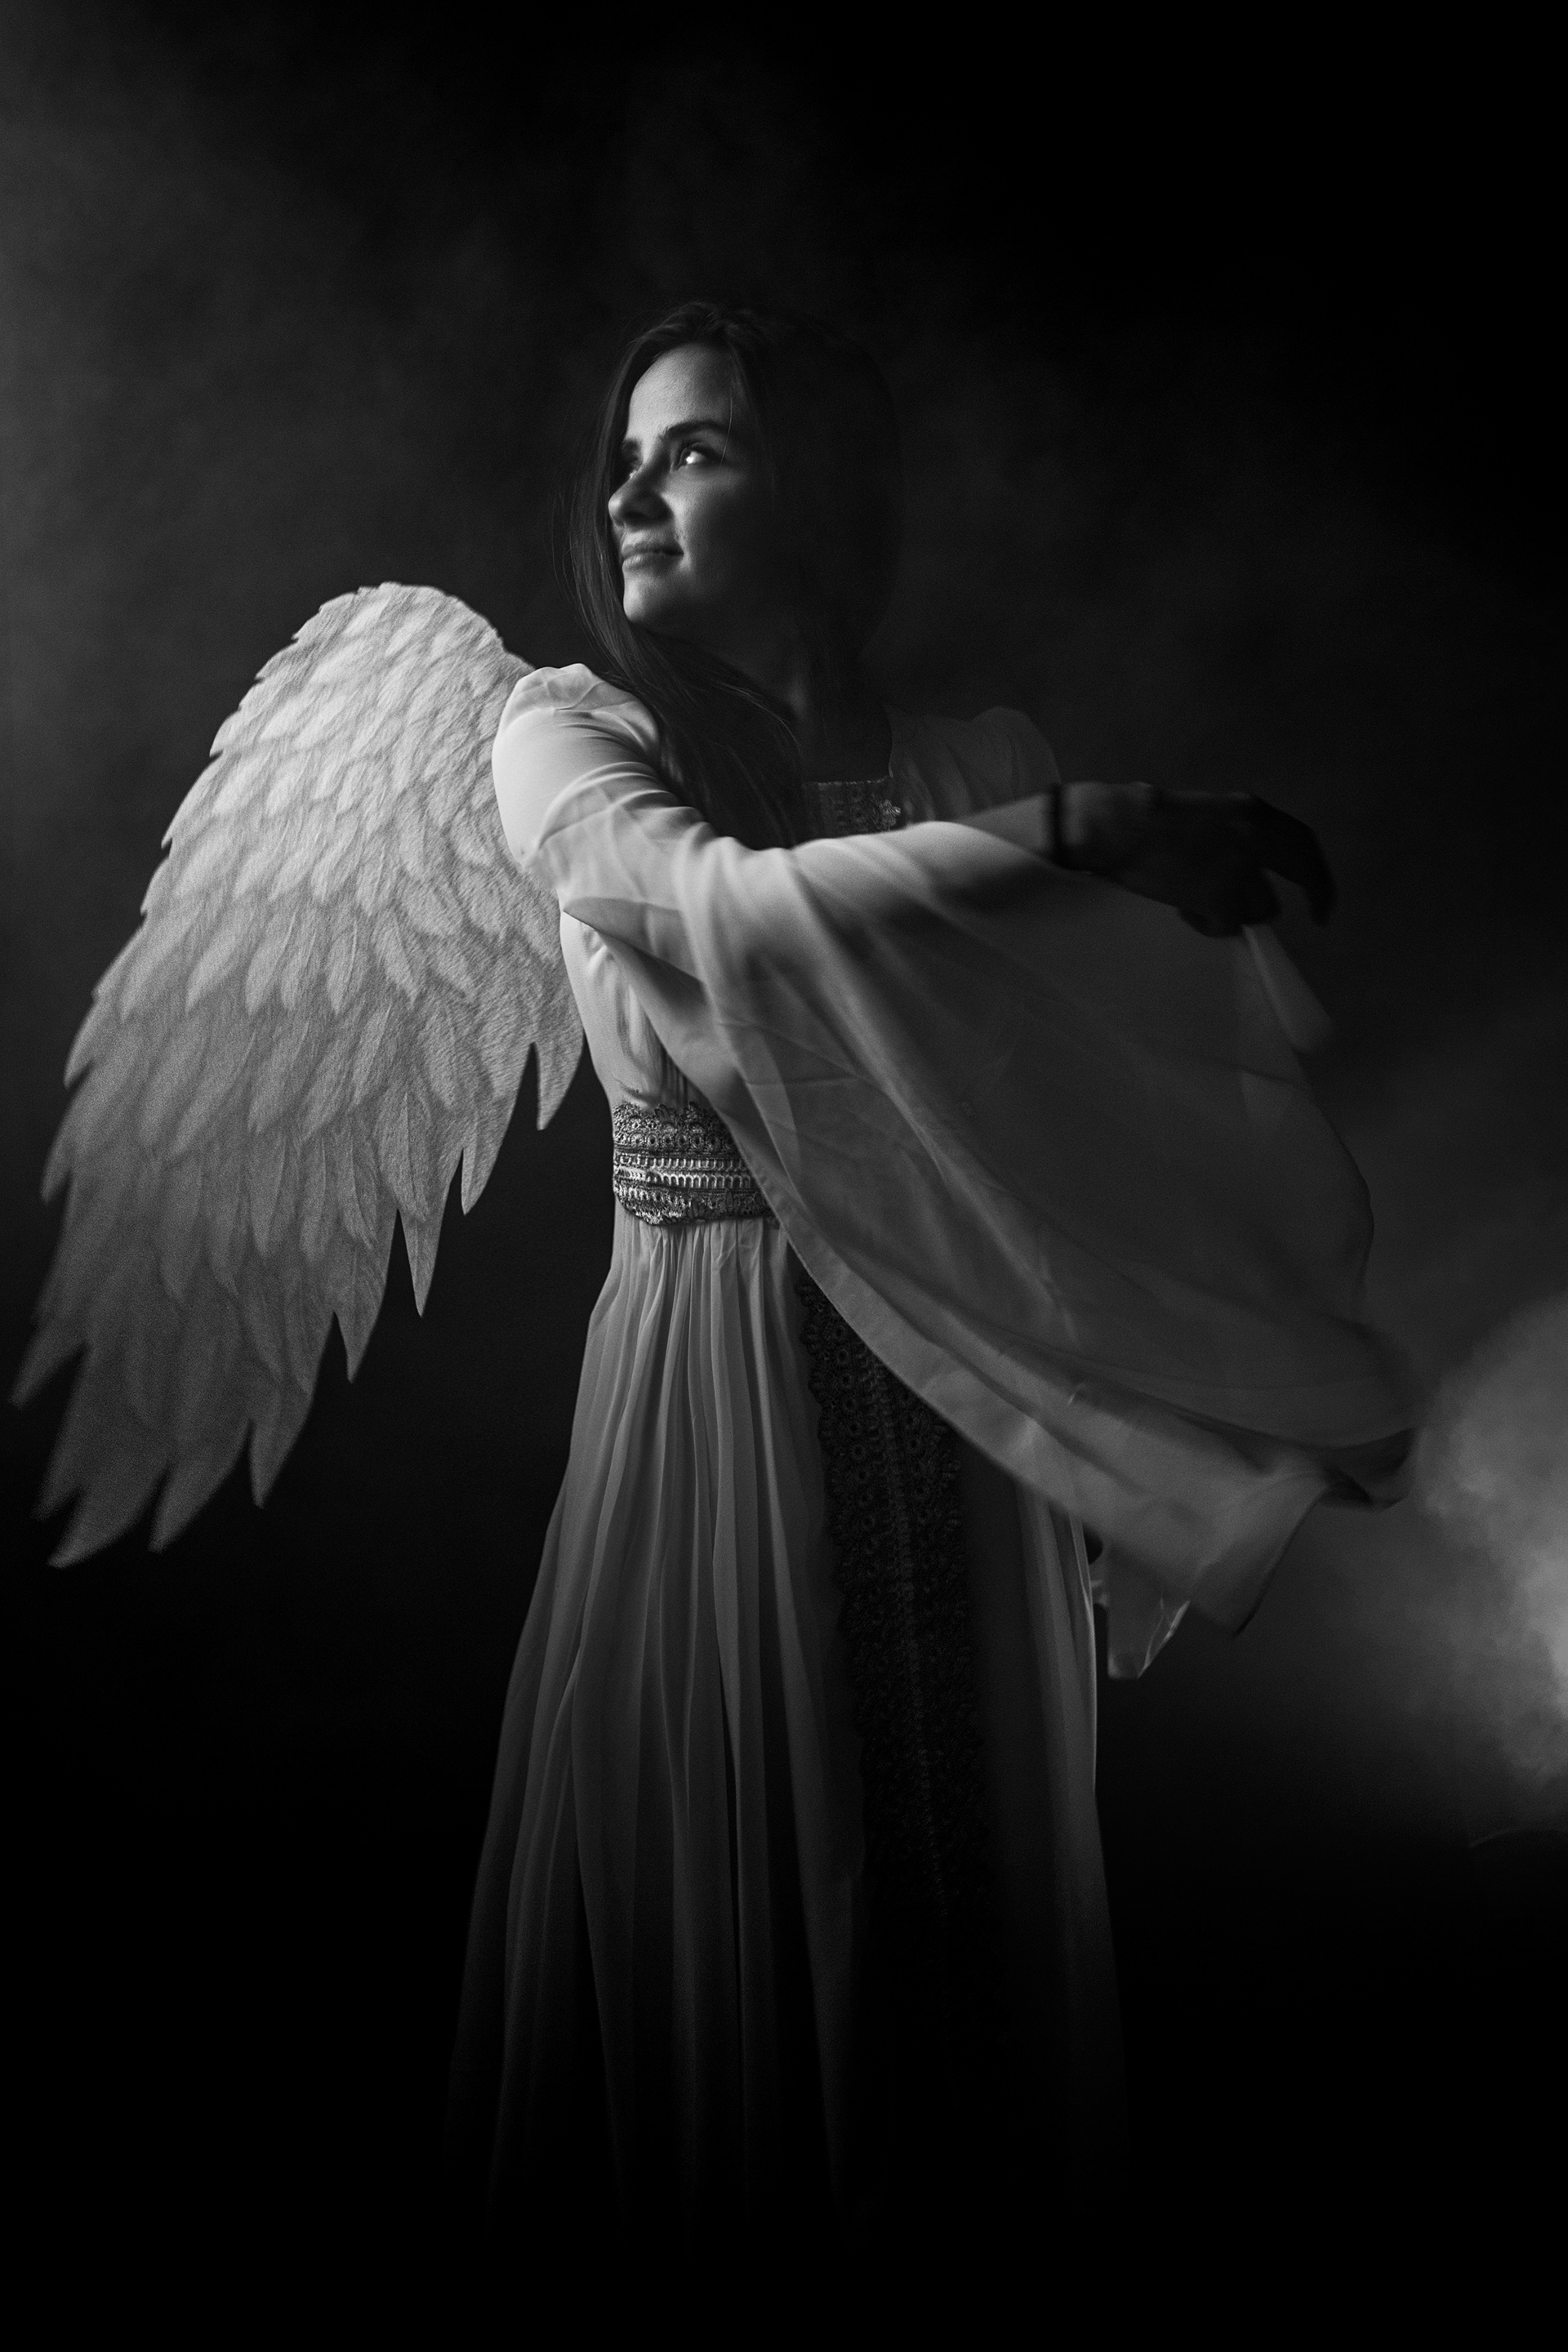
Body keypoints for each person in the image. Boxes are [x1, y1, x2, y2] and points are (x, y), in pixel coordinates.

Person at [441, 302, 1410, 2274]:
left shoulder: (975, 760)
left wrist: (1221, 1396)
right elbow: (725, 914)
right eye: (624, 456)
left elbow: (1088, 1131)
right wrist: (1089, 840)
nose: (631, 491)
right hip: (720, 1394)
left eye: (695, 449)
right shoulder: (572, 735)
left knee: (975, 1937)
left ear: (818, 486)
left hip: (964, 1413)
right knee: (763, 1916)